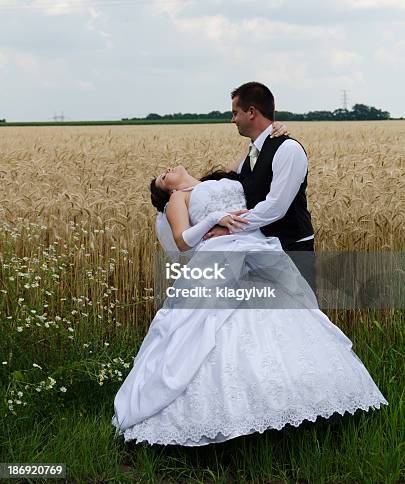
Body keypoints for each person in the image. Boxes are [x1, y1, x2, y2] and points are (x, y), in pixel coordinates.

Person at [112, 165, 388, 446]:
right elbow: (183, 242)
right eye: (162, 177)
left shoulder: (224, 179)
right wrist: (212, 220)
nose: (167, 170)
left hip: (255, 248)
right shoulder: (177, 199)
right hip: (220, 257)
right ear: (168, 189)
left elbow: (260, 164)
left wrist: (277, 129)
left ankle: (303, 399)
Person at [204, 82, 316, 291]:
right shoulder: (253, 152)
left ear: (252, 112)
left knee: (299, 312)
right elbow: (223, 182)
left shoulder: (288, 149)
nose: (233, 119)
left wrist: (229, 226)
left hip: (292, 247)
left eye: (236, 113)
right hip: (260, 247)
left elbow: (276, 206)